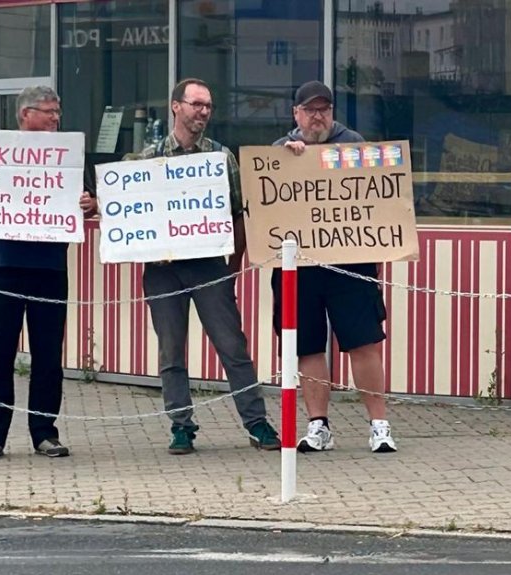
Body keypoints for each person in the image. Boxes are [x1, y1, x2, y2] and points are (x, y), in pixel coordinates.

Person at [0, 86, 98, 461]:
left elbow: (88, 205)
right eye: (49, 111)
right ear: (26, 114)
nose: (55, 118)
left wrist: (89, 203)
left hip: (49, 269)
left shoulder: (68, 157)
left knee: (47, 356)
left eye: (58, 111)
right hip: (3, 267)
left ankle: (44, 433)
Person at [139, 78, 279, 455]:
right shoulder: (146, 160)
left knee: (233, 346)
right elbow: (129, 215)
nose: (203, 112)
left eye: (208, 106)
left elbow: (239, 213)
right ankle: (181, 426)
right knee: (171, 350)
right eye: (196, 104)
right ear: (176, 107)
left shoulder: (221, 157)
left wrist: (230, 265)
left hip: (208, 266)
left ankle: (257, 423)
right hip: (162, 268)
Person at [271, 80, 397, 454]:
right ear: (296, 114)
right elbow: (265, 202)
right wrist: (290, 161)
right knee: (308, 345)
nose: (317, 116)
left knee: (364, 343)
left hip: (350, 263)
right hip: (301, 267)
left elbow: (380, 191)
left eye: (323, 109)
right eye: (309, 110)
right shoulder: (280, 150)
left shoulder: (354, 144)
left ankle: (379, 424)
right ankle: (318, 425)